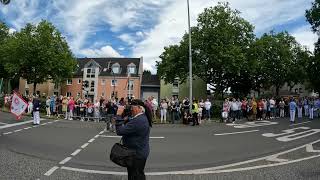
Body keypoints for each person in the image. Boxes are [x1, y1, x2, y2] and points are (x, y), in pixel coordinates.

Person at [112, 99, 152, 180]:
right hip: (138, 152)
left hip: (136, 155)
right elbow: (131, 120)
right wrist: (125, 119)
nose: (130, 109)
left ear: (139, 108)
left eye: (132, 107)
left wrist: (119, 115)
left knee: (136, 175)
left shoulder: (139, 121)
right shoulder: (141, 117)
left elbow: (120, 131)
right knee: (135, 174)